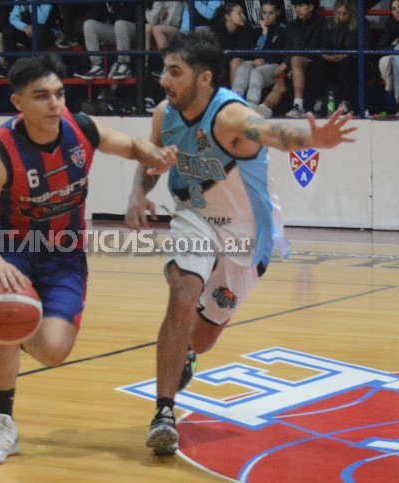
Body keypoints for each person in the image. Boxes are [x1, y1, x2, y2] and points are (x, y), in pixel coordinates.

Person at [124, 29, 355, 456]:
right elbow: (151, 158)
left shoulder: (229, 115)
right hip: (194, 217)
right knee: (182, 292)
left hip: (246, 235)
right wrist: (139, 194)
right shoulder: (165, 114)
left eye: (175, 72)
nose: (164, 80)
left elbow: (272, 133)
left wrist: (314, 139)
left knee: (205, 336)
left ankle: (188, 354)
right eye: (164, 71)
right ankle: (164, 412)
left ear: (205, 78)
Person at [0, 53, 177, 466]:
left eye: (59, 94)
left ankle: (12, 330)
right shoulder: (0, 155)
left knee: (54, 351)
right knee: (7, 313)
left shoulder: (82, 128)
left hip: (64, 254)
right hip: (14, 249)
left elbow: (129, 145)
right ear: (18, 103)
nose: (55, 104)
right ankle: (4, 423)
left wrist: (153, 155)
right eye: (42, 97)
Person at [310, 0, 370, 118]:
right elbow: (323, 45)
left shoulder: (362, 24)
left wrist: (345, 56)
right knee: (317, 63)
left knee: (346, 64)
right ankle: (319, 103)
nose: (341, 16)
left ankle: (345, 104)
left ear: (351, 14)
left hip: (353, 62)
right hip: (332, 62)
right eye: (338, 13)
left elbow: (365, 48)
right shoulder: (329, 24)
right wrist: (325, 54)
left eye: (344, 14)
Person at [231, 0, 287, 117]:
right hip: (258, 62)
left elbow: (280, 54)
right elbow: (255, 52)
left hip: (274, 65)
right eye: (264, 12)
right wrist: (265, 33)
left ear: (277, 12)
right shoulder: (257, 29)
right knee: (243, 67)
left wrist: (264, 60)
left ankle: (251, 104)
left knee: (256, 73)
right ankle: (235, 100)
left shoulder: (283, 29)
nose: (266, 16)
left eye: (270, 13)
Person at [281, 0, 326, 118]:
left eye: (301, 5)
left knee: (295, 59)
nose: (297, 9)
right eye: (295, 6)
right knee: (293, 62)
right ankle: (263, 107)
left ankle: (298, 105)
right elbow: (287, 49)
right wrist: (288, 66)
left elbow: (323, 46)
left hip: (314, 62)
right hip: (295, 63)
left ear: (311, 7)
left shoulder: (320, 23)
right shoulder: (291, 25)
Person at [73, 2, 137, 80]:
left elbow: (128, 15)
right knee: (89, 24)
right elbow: (92, 14)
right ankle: (97, 66)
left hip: (136, 29)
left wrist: (114, 4)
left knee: (120, 24)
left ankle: (124, 64)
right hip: (117, 29)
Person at [213, 1, 256, 87]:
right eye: (239, 14)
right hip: (224, 61)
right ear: (228, 17)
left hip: (244, 60)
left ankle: (233, 97)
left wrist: (226, 54)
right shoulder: (218, 31)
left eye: (243, 13)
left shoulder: (247, 28)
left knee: (234, 61)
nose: (243, 17)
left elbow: (241, 52)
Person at [1, 0, 57, 65]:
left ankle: (36, 66)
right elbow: (13, 18)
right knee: (7, 30)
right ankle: (12, 66)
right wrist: (24, 27)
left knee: (38, 29)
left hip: (47, 34)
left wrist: (32, 2)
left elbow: (41, 20)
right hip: (29, 32)